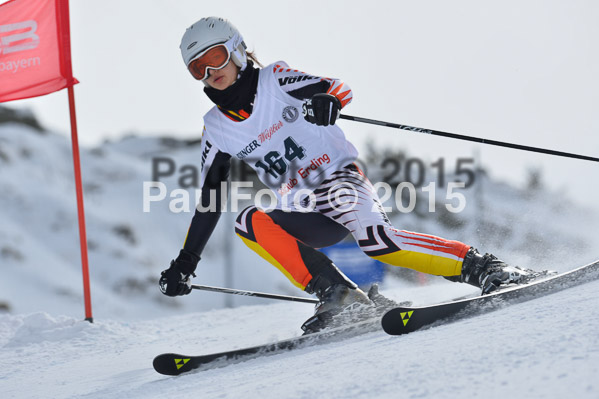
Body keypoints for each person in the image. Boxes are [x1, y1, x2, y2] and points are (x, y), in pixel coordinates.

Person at [159, 17, 533, 332]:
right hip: (304, 208)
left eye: (215, 57)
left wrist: (329, 101)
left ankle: (485, 269)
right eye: (198, 68)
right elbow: (210, 199)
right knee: (247, 220)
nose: (211, 72)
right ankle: (340, 294)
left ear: (237, 50)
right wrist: (185, 262)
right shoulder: (216, 128)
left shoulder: (275, 80)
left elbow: (335, 87)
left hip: (339, 180)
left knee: (378, 241)